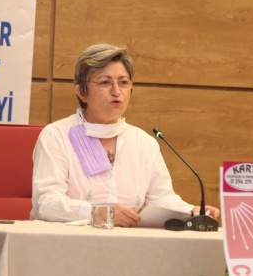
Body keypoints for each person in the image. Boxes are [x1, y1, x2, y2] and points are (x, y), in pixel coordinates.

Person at [30, 43, 220, 227]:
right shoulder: (56, 135)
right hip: (68, 242)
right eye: (105, 82)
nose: (116, 92)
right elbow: (46, 203)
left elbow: (162, 198)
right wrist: (100, 213)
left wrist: (192, 211)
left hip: (127, 243)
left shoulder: (144, 143)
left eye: (123, 82)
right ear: (81, 92)